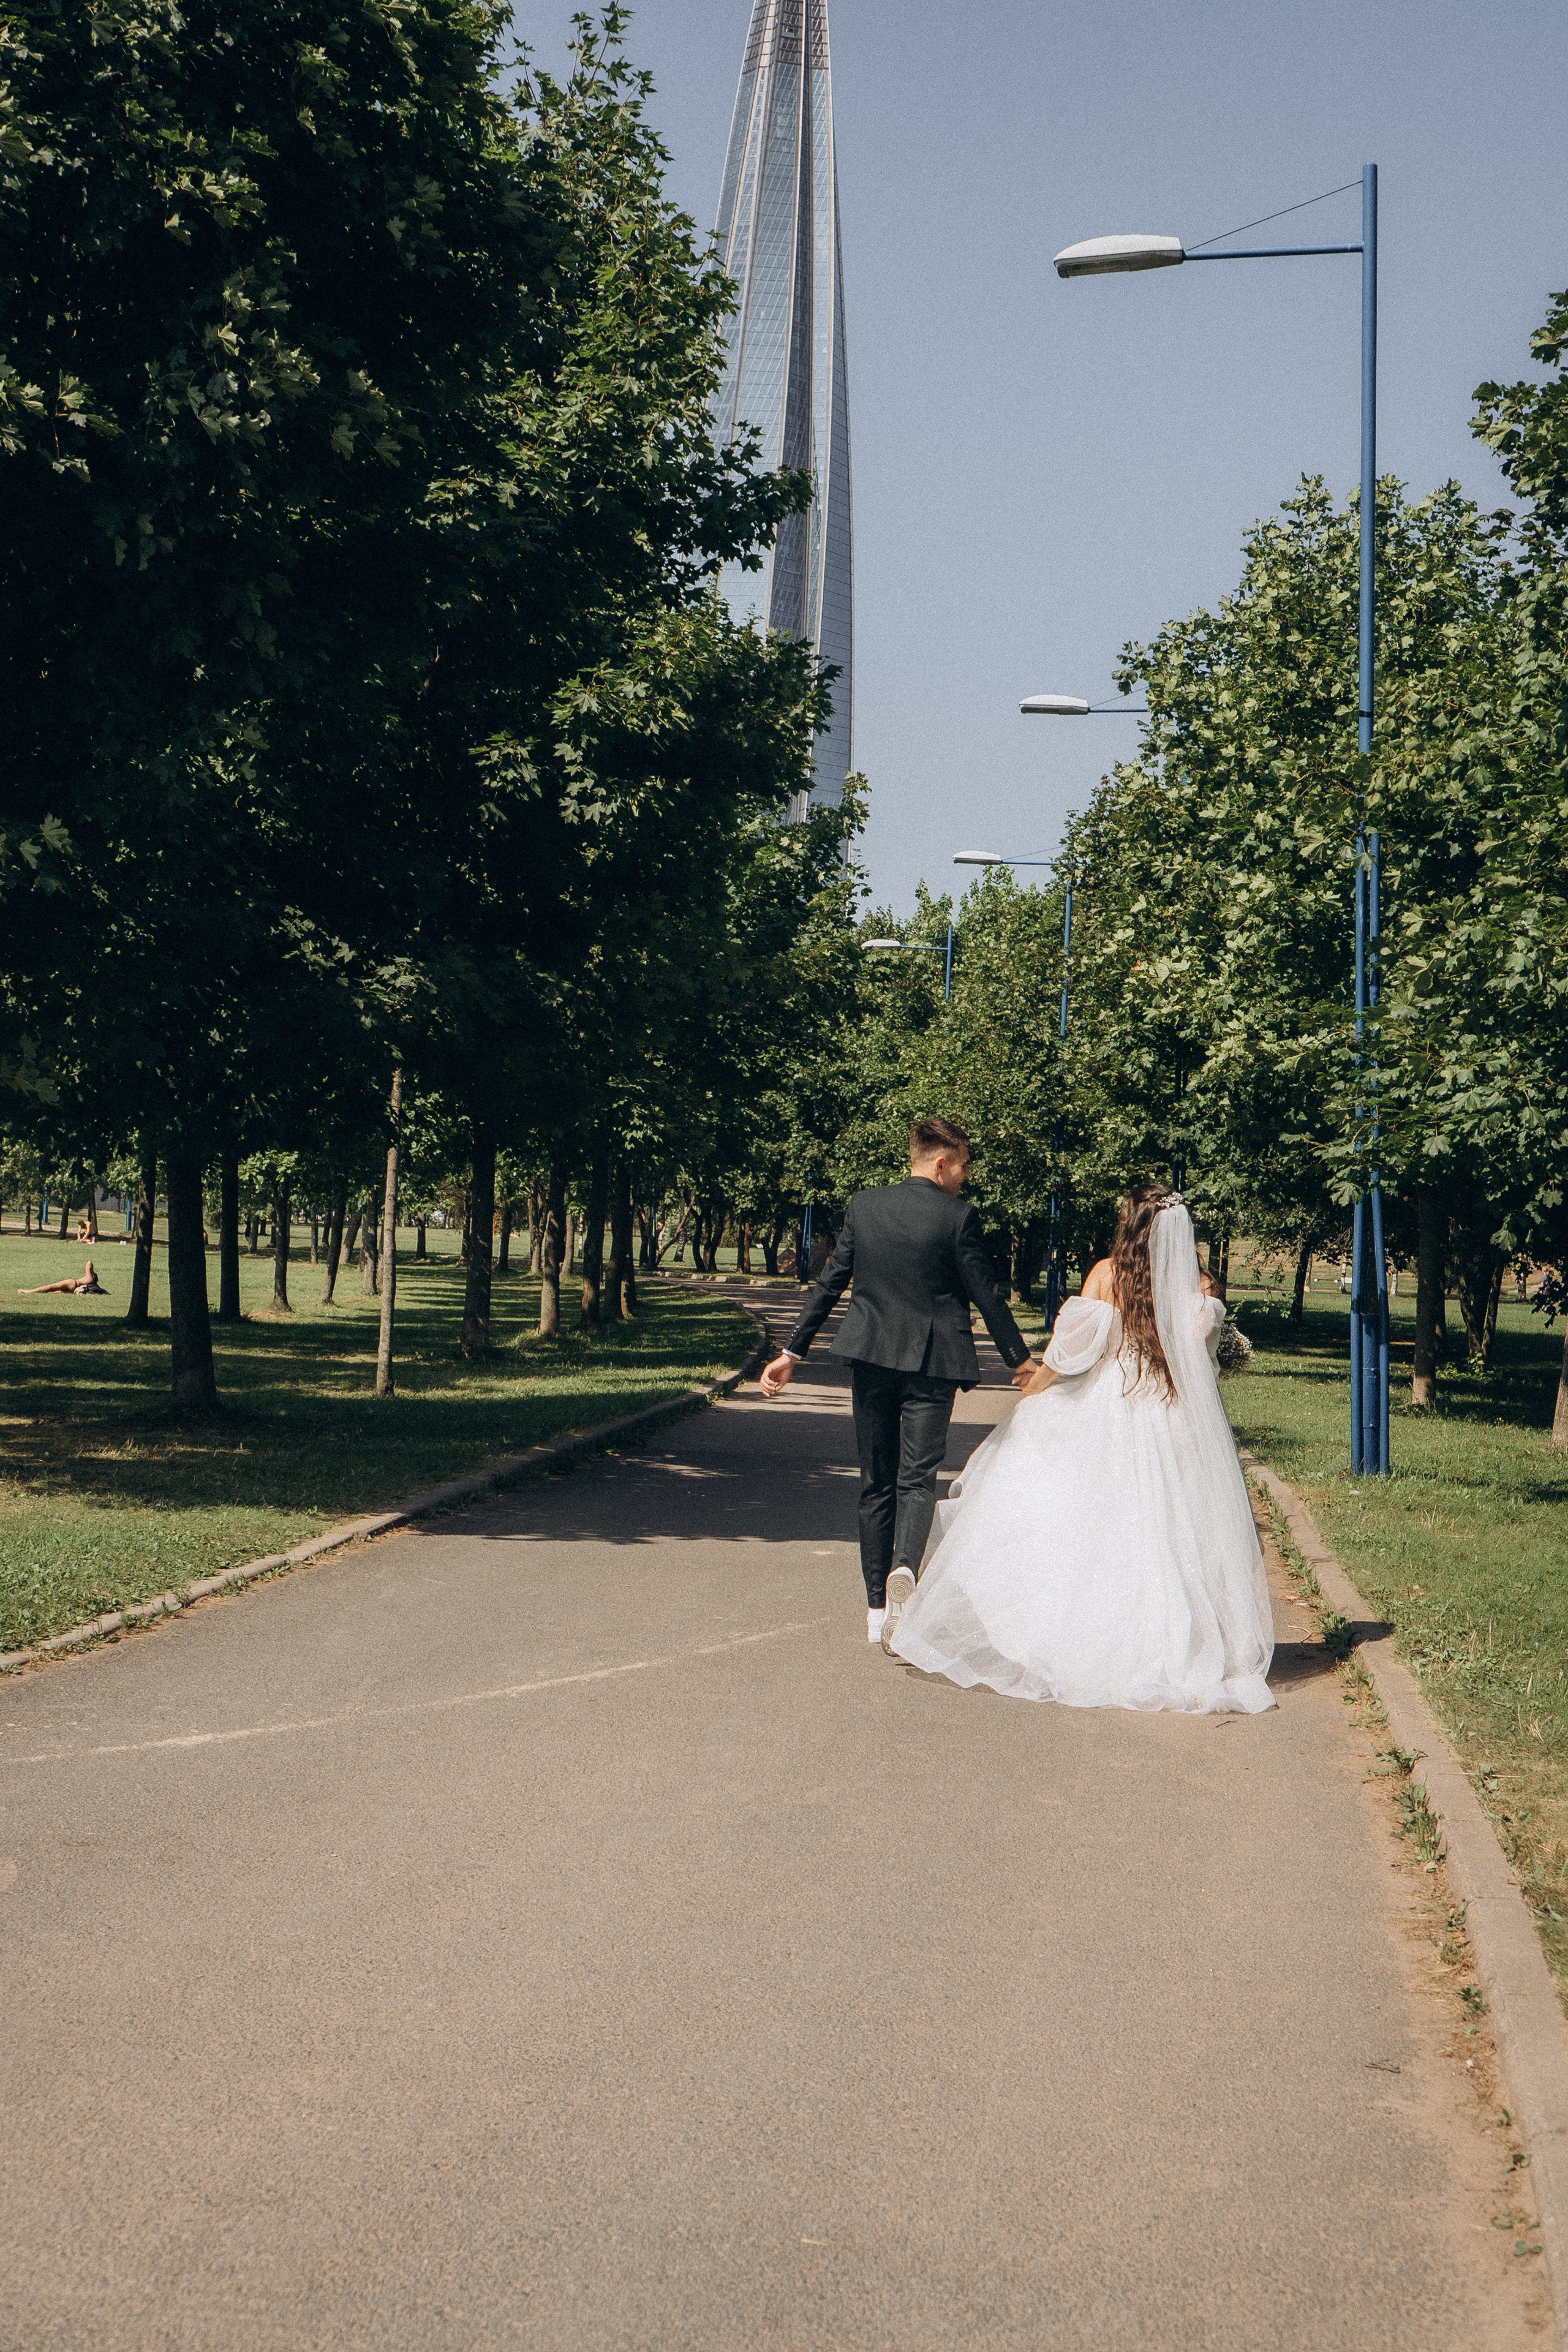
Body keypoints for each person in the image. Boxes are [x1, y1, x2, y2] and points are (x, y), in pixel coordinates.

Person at [888, 1184, 1275, 1712]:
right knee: (1175, 1527)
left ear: (1134, 1225)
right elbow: (1204, 1366)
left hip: (1112, 1402)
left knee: (1096, 1525)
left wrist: (1036, 1385)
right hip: (1175, 1413)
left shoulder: (1107, 1275)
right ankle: (1185, 1641)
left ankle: (1096, 1634)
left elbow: (1074, 1353)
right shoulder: (1201, 1289)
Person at [759, 1117, 1038, 1645]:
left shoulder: (865, 1207)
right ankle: (904, 1571)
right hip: (933, 1364)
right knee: (917, 1477)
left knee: (875, 1480)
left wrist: (791, 1352)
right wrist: (1018, 1361)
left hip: (870, 1358)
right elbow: (986, 1293)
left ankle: (873, 1608)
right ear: (940, 1163)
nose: (965, 1176)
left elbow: (831, 1282)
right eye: (962, 1166)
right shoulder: (958, 1217)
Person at [18, 1259, 107, 1297]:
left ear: (94, 1276)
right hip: (73, 1289)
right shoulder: (94, 1285)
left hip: (72, 1283)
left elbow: (89, 1263)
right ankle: (35, 1293)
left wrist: (91, 1271)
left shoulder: (89, 1277)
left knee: (51, 1287)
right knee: (53, 1291)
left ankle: (30, 1291)